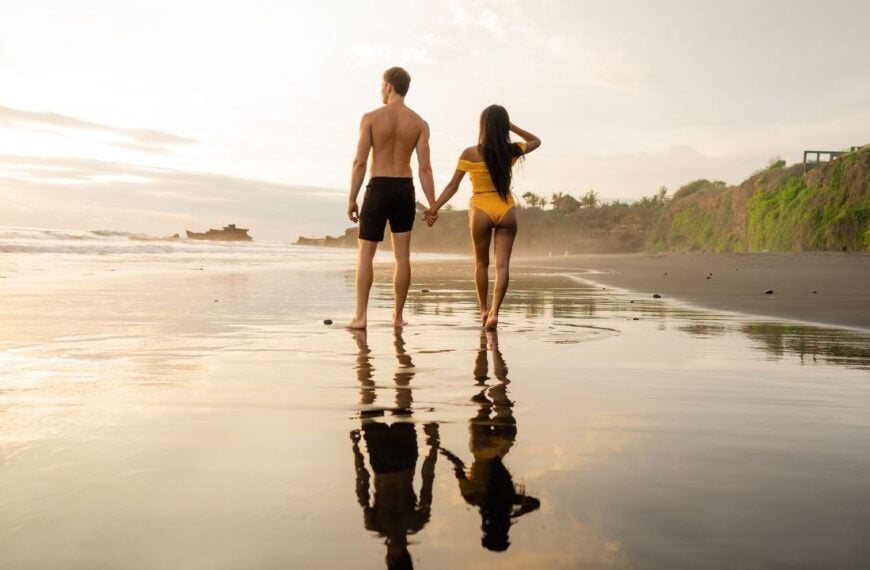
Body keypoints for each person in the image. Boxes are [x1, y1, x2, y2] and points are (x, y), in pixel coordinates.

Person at [425, 105, 540, 329]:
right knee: (503, 265)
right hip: (506, 209)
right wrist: (512, 126)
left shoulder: (470, 153)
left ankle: (483, 310)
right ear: (503, 126)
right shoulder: (511, 151)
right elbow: (536, 140)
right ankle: (495, 312)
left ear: (483, 126)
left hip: (481, 209)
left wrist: (434, 208)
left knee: (481, 263)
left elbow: (452, 186)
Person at [346, 66, 437, 330]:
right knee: (402, 257)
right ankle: (397, 317)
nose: (380, 89)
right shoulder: (419, 124)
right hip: (404, 189)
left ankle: (360, 317)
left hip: (379, 187)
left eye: (381, 84)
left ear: (388, 86)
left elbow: (359, 162)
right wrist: (432, 204)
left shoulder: (371, 118)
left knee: (365, 255)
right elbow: (425, 168)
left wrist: (352, 197)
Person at [439, 331, 540, 552]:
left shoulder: (510, 500)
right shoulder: (474, 498)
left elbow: (535, 504)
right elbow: (458, 467)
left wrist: (515, 514)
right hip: (481, 446)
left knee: (501, 388)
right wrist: (439, 448)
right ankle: (484, 347)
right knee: (480, 390)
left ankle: (490, 347)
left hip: (504, 443)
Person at [348, 329, 439, 569]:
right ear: (389, 558)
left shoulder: (417, 522)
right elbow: (362, 482)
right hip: (383, 461)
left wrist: (433, 444)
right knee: (368, 393)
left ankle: (393, 347)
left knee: (400, 395)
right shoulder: (376, 524)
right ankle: (366, 349)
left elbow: (428, 476)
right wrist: (356, 448)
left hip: (405, 458)